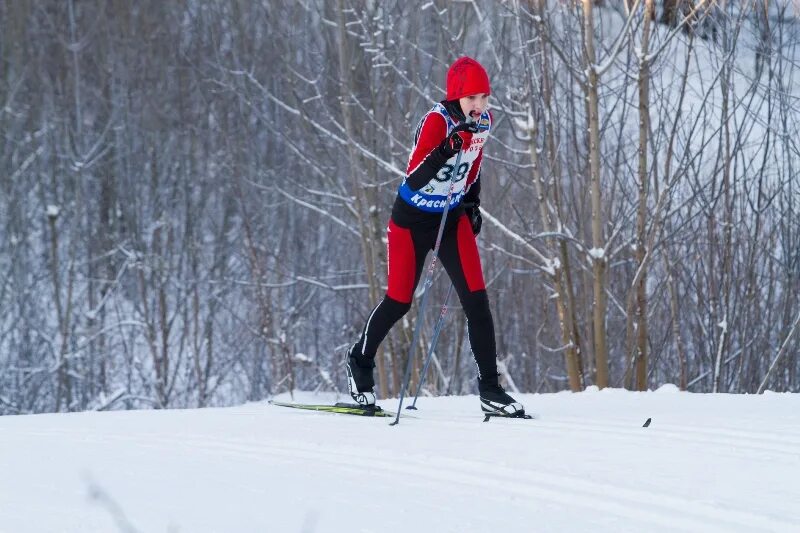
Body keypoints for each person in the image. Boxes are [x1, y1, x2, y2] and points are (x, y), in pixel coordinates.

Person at [345, 56, 525, 417]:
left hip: (449, 216)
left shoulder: (483, 122)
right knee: (399, 301)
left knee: (477, 300)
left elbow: (473, 167)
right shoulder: (436, 121)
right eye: (472, 97)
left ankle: (490, 388)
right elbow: (413, 180)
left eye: (484, 97)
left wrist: (472, 204)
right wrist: (446, 148)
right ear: (457, 95)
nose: (479, 105)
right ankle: (359, 360)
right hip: (411, 221)